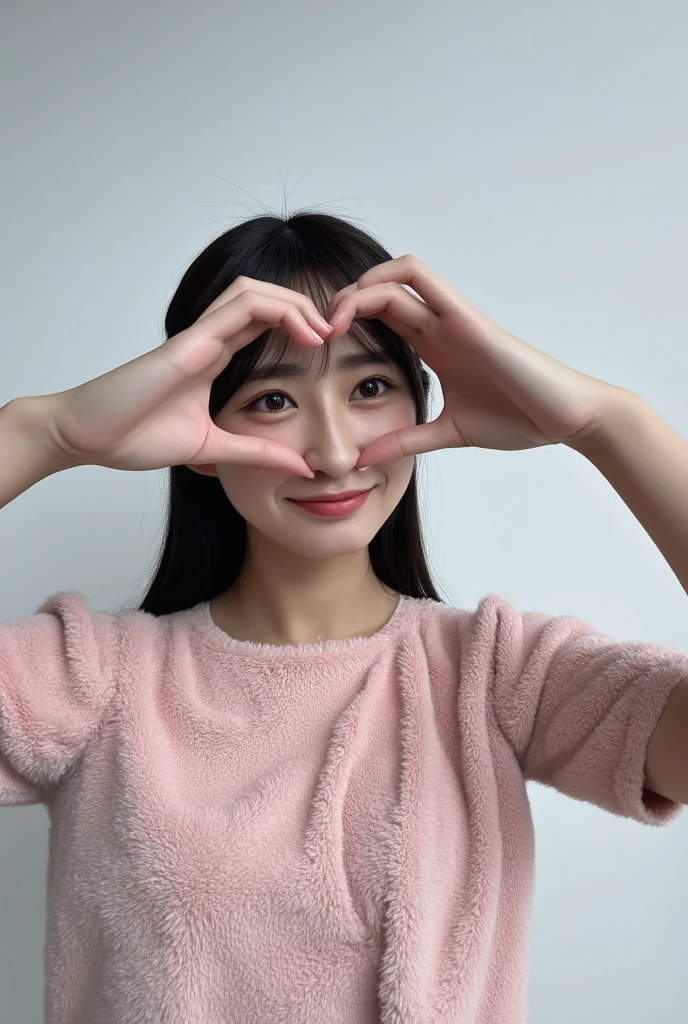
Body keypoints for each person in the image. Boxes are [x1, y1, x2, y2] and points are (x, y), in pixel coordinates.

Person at [1, 211, 687, 1024]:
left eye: (369, 388)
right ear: (200, 422)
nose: (333, 451)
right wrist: (45, 431)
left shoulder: (497, 672)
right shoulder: (92, 681)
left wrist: (609, 423)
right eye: (272, 398)